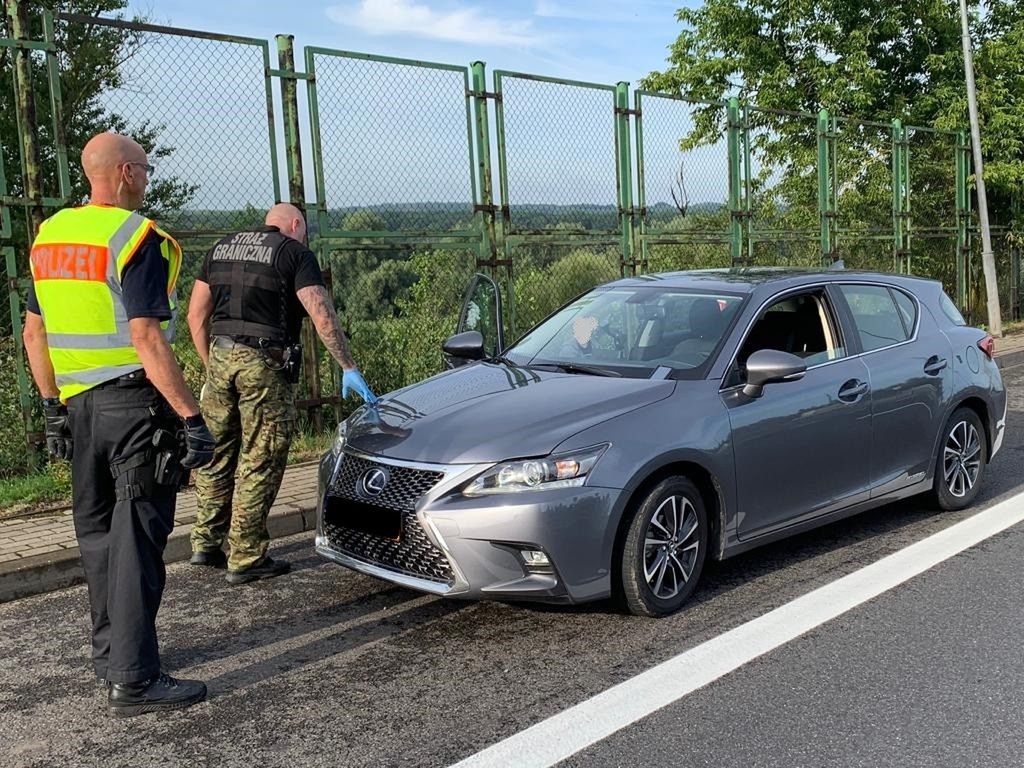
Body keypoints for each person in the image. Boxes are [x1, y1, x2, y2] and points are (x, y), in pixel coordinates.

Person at [22, 132, 214, 717]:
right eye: (147, 169)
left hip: (78, 412)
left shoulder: (49, 236)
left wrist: (52, 406)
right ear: (127, 173)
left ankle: (111, 657)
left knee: (100, 540)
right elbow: (146, 336)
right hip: (134, 408)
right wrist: (191, 417)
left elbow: (34, 332)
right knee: (138, 546)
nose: (148, 178)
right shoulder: (136, 237)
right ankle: (134, 679)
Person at [187, 203, 377, 584]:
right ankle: (244, 555)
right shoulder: (294, 253)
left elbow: (196, 316)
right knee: (262, 457)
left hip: (221, 356)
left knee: (217, 453)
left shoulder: (221, 247)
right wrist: (348, 366)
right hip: (265, 364)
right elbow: (321, 316)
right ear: (295, 225)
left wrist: (212, 365)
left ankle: (205, 542)